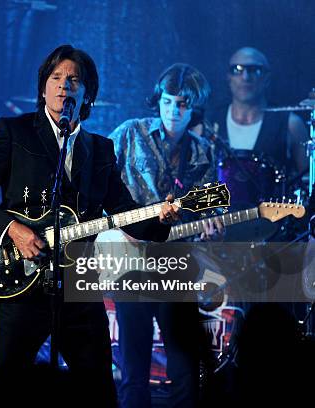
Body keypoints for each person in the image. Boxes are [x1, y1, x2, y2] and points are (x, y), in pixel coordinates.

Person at [0, 44, 179, 407]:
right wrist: (14, 230)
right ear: (43, 88)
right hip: (20, 284)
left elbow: (125, 212)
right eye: (56, 78)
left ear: (87, 92)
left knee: (98, 392)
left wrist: (160, 217)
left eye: (73, 80)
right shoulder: (15, 132)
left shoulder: (101, 149)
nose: (64, 86)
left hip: (78, 287)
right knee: (7, 390)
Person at [106, 63, 218, 408]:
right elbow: (95, 183)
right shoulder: (129, 133)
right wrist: (113, 230)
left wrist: (211, 226)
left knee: (185, 368)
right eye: (168, 101)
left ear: (193, 107)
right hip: (129, 260)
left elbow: (209, 212)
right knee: (133, 369)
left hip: (175, 265)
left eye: (183, 104)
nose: (174, 110)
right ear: (159, 100)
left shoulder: (202, 152)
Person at [207, 47, 309, 213]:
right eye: (237, 70)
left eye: (254, 70)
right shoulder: (209, 124)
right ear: (228, 77)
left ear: (267, 78)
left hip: (273, 228)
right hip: (218, 229)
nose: (245, 77)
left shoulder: (291, 124)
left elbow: (307, 182)